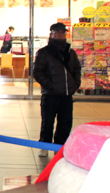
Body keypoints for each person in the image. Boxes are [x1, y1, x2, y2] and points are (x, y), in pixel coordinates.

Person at [33, 22, 81, 157]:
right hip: (50, 94)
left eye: (62, 33)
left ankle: (59, 146)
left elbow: (77, 69)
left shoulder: (70, 52)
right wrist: (50, 85)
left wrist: (75, 85)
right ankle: (44, 145)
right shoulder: (44, 52)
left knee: (65, 122)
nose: (60, 35)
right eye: (57, 33)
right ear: (51, 34)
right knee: (47, 122)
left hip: (66, 95)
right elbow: (37, 72)